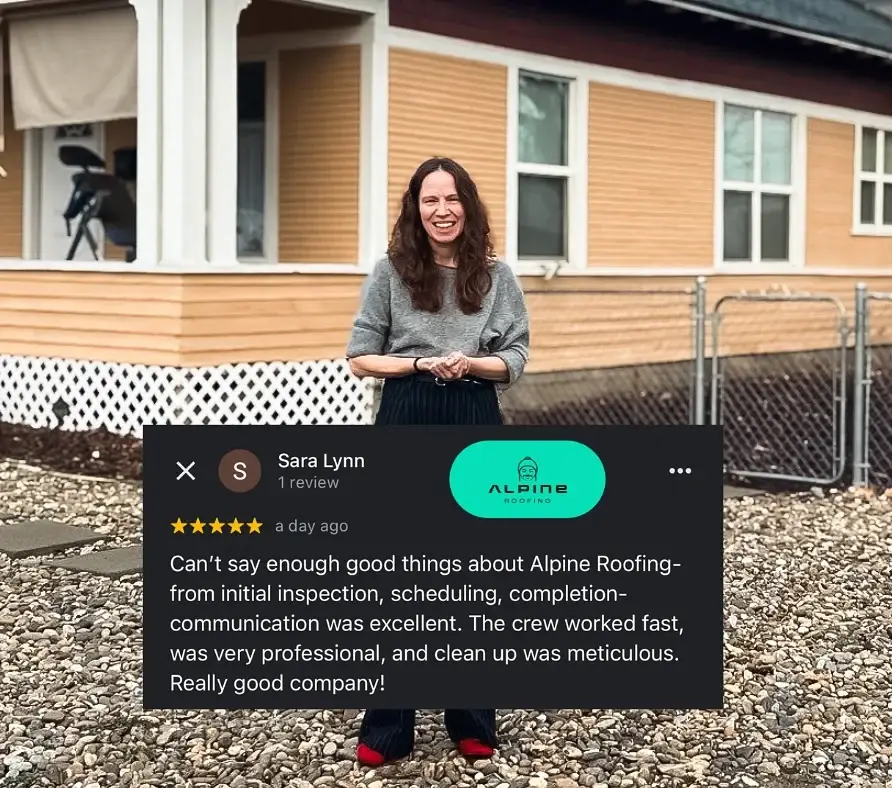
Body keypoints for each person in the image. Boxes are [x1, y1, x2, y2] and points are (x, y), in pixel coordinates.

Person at [344, 156, 531, 766]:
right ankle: (387, 727)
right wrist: (422, 363)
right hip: (408, 410)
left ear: (468, 206)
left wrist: (472, 363)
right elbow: (361, 356)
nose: (442, 210)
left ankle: (471, 719)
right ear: (415, 209)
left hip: (474, 412)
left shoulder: (497, 277)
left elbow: (517, 355)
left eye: (452, 199)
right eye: (430, 200)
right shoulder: (391, 272)